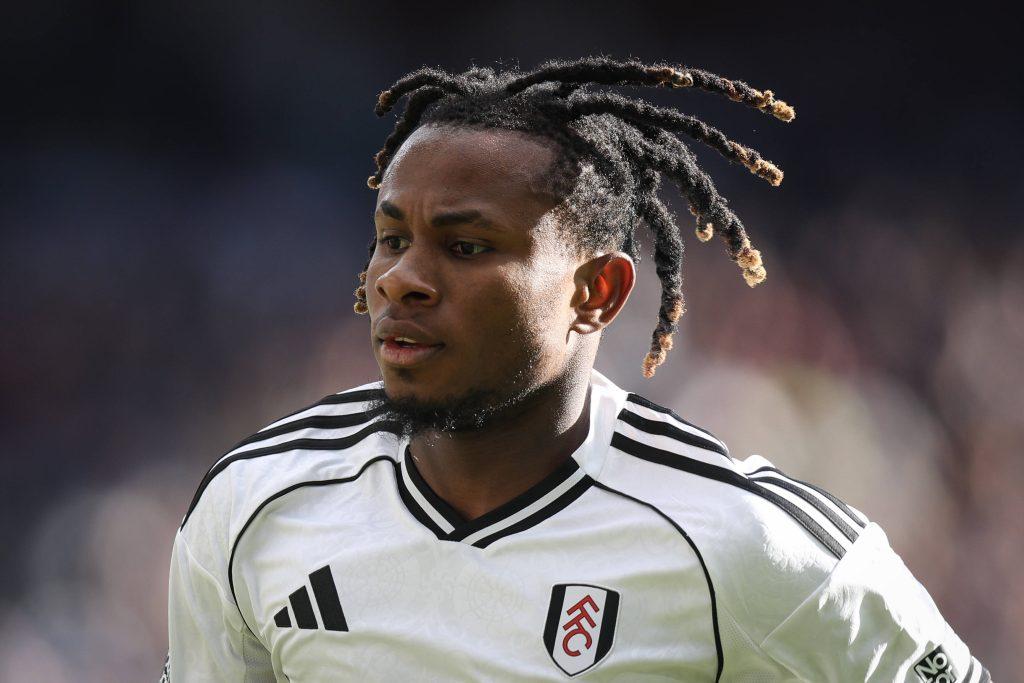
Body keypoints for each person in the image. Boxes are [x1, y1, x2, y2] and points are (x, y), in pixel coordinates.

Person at [164, 56, 990, 681]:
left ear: (597, 292)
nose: (399, 279)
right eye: (391, 238)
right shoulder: (254, 502)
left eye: (465, 246)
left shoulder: (745, 543)